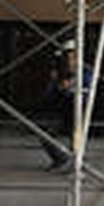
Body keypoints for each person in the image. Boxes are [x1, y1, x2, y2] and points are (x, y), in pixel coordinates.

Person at [40, 37, 86, 170]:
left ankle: (77, 165)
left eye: (73, 57)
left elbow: (87, 90)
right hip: (63, 113)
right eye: (68, 57)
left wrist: (73, 86)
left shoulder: (84, 72)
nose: (70, 61)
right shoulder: (60, 74)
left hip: (78, 113)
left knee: (76, 139)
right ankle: (60, 159)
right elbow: (48, 96)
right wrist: (55, 83)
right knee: (46, 135)